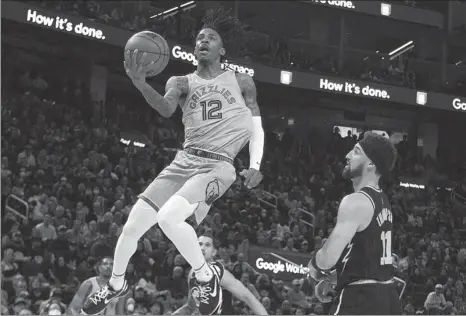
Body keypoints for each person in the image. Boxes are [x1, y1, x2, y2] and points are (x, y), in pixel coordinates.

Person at [82, 6, 264, 315]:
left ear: (223, 48)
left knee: (169, 218)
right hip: (184, 161)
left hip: (218, 165)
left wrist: (256, 166)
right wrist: (140, 83)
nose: (202, 42)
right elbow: (166, 110)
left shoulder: (242, 81)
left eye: (210, 38)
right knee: (131, 228)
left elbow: (256, 126)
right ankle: (115, 284)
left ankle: (206, 278)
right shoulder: (181, 82)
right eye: (198, 38)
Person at [308, 132, 401, 315]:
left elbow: (327, 259)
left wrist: (314, 268)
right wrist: (335, 279)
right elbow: (367, 261)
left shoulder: (356, 201)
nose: (348, 155)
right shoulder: (383, 201)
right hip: (387, 298)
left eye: (356, 151)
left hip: (361, 300)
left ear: (371, 164)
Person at [172, 233, 268, 315]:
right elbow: (190, 306)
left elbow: (248, 297)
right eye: (200, 244)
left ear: (214, 252)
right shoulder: (192, 272)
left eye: (207, 245)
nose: (202, 248)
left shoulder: (219, 273)